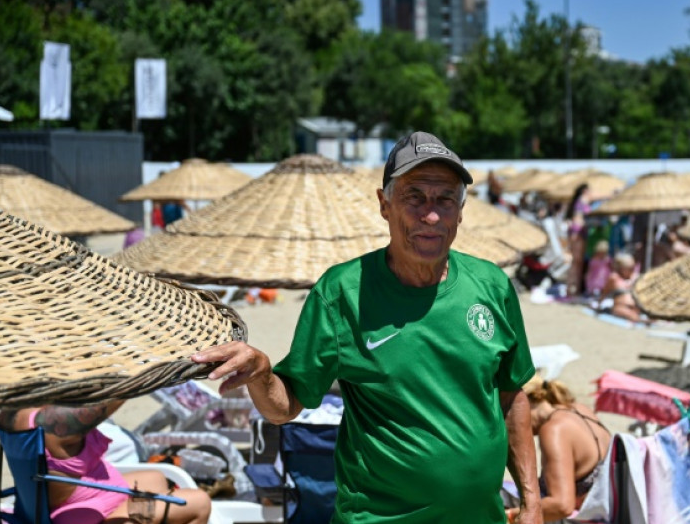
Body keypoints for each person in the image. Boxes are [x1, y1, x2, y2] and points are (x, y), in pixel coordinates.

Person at [191, 131, 541, 524]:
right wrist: (261, 372)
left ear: (461, 211)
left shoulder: (491, 284)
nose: (431, 215)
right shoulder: (342, 292)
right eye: (414, 197)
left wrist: (531, 501)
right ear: (384, 204)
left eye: (445, 199)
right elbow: (285, 406)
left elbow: (512, 396)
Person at [0, 402, 210, 524]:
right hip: (82, 515)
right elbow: (116, 394)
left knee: (156, 479)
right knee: (199, 502)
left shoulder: (12, 411)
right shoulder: (55, 424)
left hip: (50, 506)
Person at [505, 376, 610, 523]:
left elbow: (561, 505)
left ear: (524, 402)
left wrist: (509, 515)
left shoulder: (554, 430)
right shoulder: (578, 409)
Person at [597, 253, 648, 324]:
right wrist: (599, 305)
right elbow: (604, 293)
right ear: (621, 268)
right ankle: (639, 319)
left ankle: (640, 318)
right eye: (629, 268)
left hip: (636, 309)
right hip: (621, 308)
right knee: (631, 315)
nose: (632, 270)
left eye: (633, 268)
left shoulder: (636, 277)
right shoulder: (614, 278)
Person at [565, 184, 591, 296]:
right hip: (578, 235)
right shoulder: (581, 203)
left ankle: (572, 289)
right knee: (576, 264)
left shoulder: (578, 202)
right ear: (585, 191)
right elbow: (578, 220)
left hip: (576, 235)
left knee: (575, 264)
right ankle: (572, 289)